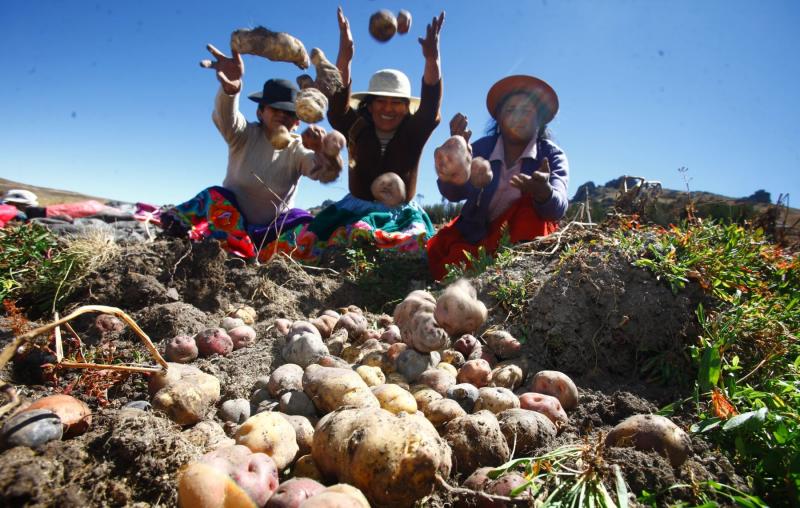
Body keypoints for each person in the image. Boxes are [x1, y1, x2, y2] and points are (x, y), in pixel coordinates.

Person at [260, 7, 445, 263]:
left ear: (406, 108)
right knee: (314, 246)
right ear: (368, 104)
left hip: (400, 214)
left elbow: (430, 105)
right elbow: (338, 104)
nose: (388, 109)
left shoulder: (414, 131)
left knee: (411, 251)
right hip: (354, 210)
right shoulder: (356, 126)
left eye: (396, 103)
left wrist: (432, 59)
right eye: (381, 102)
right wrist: (345, 56)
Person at [161, 44, 343, 259]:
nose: (282, 116)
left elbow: (321, 171)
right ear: (260, 111)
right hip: (230, 224)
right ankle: (210, 245)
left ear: (297, 121)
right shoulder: (243, 135)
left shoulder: (298, 148)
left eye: (290, 112)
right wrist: (230, 91)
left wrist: (326, 152)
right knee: (214, 196)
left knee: (304, 221)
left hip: (272, 232)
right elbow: (225, 117)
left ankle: (258, 254)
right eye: (275, 109)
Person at [426, 75, 569, 280]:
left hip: (520, 238)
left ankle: (517, 273)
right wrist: (456, 164)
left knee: (530, 209)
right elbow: (454, 194)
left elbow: (558, 207)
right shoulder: (482, 148)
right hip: (476, 234)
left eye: (526, 111)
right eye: (510, 110)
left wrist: (543, 192)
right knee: (452, 266)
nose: (517, 117)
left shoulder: (552, 155)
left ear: (540, 119)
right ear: (498, 119)